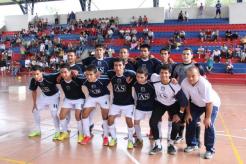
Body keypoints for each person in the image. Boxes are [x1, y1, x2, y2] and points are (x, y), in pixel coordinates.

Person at [182, 66, 220, 159]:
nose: (190, 78)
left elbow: (209, 102)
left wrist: (207, 118)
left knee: (208, 124)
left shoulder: (204, 84)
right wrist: (188, 113)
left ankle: (209, 149)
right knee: (190, 120)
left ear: (199, 75)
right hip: (197, 104)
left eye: (193, 76)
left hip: (212, 103)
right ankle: (192, 144)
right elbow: (186, 100)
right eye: (188, 76)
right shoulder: (184, 83)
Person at [149, 64, 188, 155]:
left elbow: (184, 102)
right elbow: (144, 74)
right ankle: (158, 145)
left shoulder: (175, 86)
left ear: (170, 74)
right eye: (162, 73)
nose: (163, 75)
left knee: (176, 123)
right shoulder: (155, 78)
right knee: (152, 122)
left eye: (166, 73)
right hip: (159, 103)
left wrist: (180, 114)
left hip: (173, 104)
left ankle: (171, 144)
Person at [172, 48, 205, 146]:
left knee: (195, 119)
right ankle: (180, 135)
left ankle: (197, 138)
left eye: (187, 54)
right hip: (182, 96)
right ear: (181, 55)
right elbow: (174, 78)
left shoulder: (197, 66)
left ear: (191, 55)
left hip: (193, 97)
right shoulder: (177, 67)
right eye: (184, 54)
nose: (185, 56)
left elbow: (203, 79)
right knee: (181, 117)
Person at [107, 58, 136, 149]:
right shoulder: (111, 74)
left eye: (120, 65)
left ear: (124, 66)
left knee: (129, 120)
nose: (118, 67)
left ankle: (131, 140)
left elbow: (141, 76)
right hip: (116, 103)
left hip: (128, 103)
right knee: (110, 119)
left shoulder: (130, 74)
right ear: (113, 67)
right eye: (116, 65)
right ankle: (114, 138)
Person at [28, 65, 60, 140]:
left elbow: (60, 72)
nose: (35, 76)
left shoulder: (49, 77)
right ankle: (38, 130)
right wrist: (34, 103)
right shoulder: (33, 80)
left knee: (54, 113)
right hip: (44, 96)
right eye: (33, 74)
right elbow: (34, 91)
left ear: (41, 72)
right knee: (35, 110)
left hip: (54, 96)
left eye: (37, 74)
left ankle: (57, 131)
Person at [81, 65, 110, 145]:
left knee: (105, 115)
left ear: (96, 74)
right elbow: (76, 76)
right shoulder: (85, 80)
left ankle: (106, 136)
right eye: (87, 75)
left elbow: (112, 75)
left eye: (91, 75)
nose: (89, 77)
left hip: (103, 96)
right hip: (92, 97)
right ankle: (87, 135)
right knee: (84, 113)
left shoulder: (104, 79)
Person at [57, 64, 85, 142]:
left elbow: (86, 77)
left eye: (65, 72)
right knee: (61, 115)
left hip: (79, 99)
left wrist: (77, 73)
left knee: (77, 116)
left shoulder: (77, 79)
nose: (63, 74)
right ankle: (65, 132)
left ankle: (81, 134)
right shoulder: (61, 80)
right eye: (61, 72)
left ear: (70, 72)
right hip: (68, 99)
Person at [132, 68, 156, 147]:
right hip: (139, 107)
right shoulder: (135, 84)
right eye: (137, 77)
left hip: (150, 108)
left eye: (141, 77)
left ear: (146, 77)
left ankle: (156, 141)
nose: (139, 79)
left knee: (153, 124)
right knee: (136, 123)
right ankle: (139, 139)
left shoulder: (151, 85)